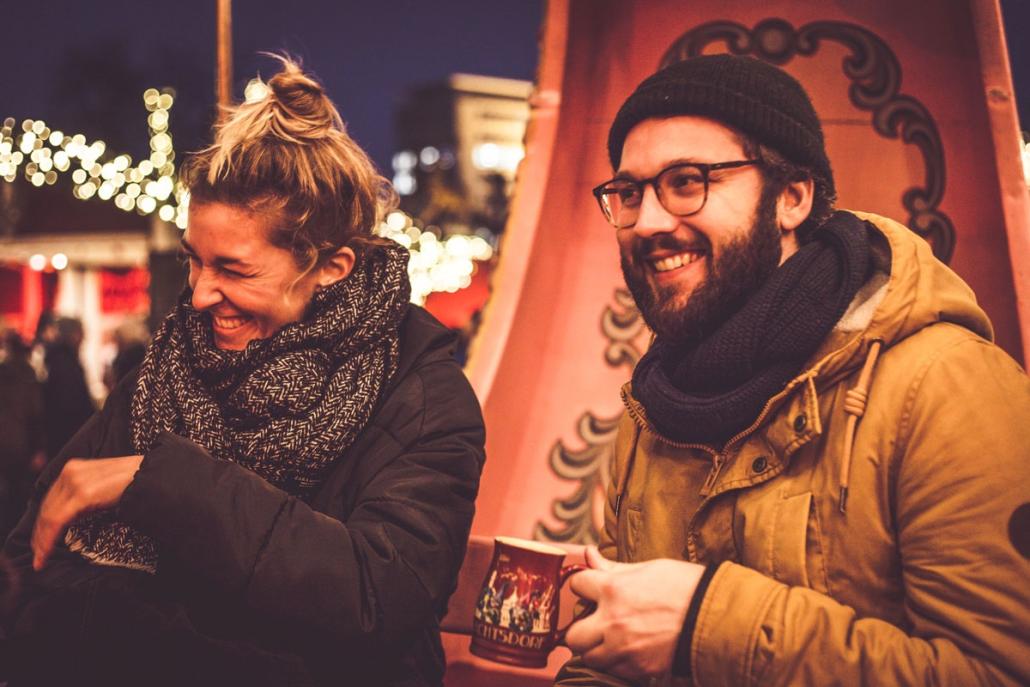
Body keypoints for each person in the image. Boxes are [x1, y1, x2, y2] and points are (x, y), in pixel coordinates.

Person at [2, 56, 485, 687]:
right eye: (194, 262)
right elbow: (32, 558)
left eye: (233, 269)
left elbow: (380, 597)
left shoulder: (422, 399)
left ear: (331, 266)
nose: (199, 294)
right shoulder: (169, 368)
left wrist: (160, 484)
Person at [556, 54, 1030, 686]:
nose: (649, 222)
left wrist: (708, 626)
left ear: (792, 197)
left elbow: (999, 671)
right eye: (630, 193)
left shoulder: (945, 386)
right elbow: (614, 649)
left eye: (688, 181)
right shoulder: (654, 404)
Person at [0, 330, 45, 539]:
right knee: (21, 492)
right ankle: (17, 535)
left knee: (7, 490)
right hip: (22, 442)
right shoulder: (27, 375)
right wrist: (38, 447)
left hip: (5, 441)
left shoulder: (3, 373)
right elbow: (35, 413)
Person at [41, 316, 96, 459]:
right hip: (69, 437)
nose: (84, 338)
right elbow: (70, 405)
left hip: (63, 436)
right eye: (82, 333)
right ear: (74, 335)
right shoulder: (66, 364)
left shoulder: (58, 360)